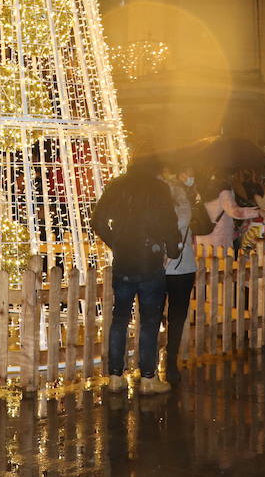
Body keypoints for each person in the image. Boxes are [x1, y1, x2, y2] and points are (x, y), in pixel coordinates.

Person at [92, 155, 181, 396]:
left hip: (124, 261)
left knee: (119, 318)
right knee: (150, 321)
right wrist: (173, 249)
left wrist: (117, 243)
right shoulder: (158, 189)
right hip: (150, 261)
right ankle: (149, 378)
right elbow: (169, 224)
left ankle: (115, 376)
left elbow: (98, 221)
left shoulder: (117, 185)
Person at [159, 163, 212, 386]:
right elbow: (181, 223)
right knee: (174, 315)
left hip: (172, 263)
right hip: (174, 263)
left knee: (166, 314)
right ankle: (169, 361)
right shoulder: (173, 193)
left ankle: (166, 360)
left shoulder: (182, 193)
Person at [197, 172, 260, 250]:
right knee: (220, 261)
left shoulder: (205, 187)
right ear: (229, 175)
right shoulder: (224, 191)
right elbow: (236, 212)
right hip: (219, 239)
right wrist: (258, 212)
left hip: (204, 237)